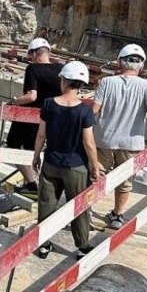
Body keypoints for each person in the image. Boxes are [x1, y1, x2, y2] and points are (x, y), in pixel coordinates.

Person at [93, 44, 147, 230]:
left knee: (96, 176)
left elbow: (94, 110)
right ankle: (117, 216)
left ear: (120, 61)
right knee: (125, 180)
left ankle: (85, 210)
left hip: (104, 139)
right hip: (131, 142)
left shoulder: (106, 82)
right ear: (142, 66)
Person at [33, 61, 100, 260]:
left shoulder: (48, 104)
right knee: (79, 207)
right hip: (76, 167)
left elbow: (41, 135)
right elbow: (88, 143)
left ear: (63, 81)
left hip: (51, 163)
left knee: (46, 204)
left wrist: (36, 156)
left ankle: (43, 245)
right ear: (81, 84)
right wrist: (94, 166)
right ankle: (82, 246)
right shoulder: (85, 110)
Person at [6, 37, 64, 198]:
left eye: (31, 55)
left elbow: (31, 96)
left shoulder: (33, 69)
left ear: (35, 53)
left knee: (12, 147)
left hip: (29, 117)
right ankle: (32, 184)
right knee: (34, 152)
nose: (30, 59)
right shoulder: (60, 68)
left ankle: (31, 184)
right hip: (51, 118)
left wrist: (13, 102)